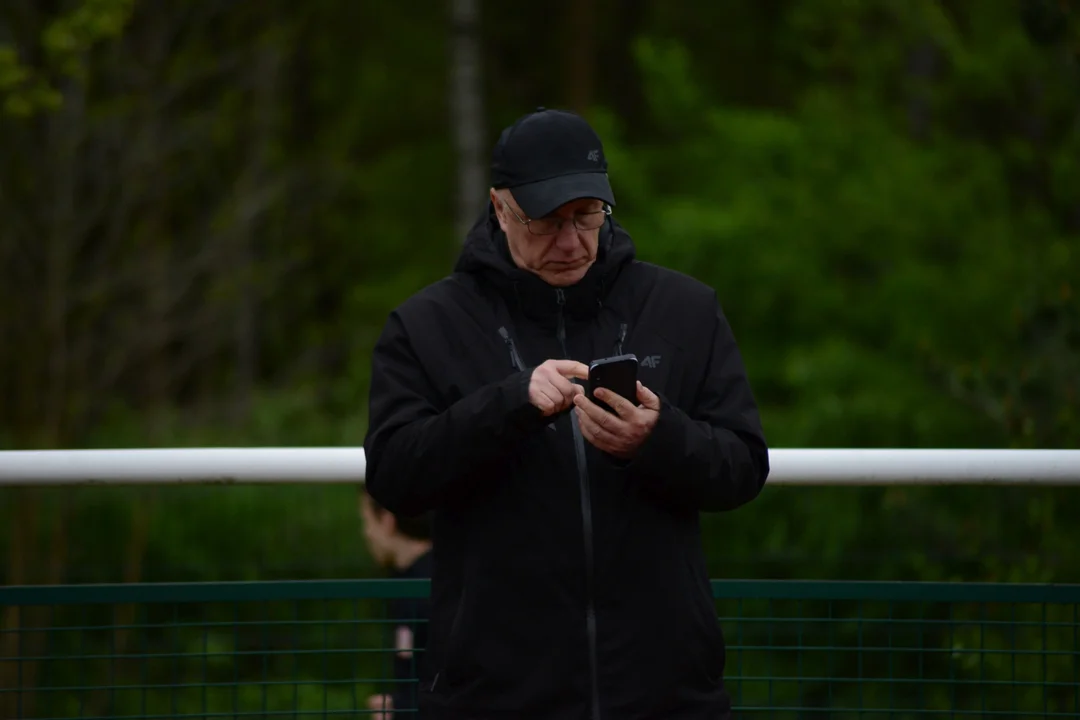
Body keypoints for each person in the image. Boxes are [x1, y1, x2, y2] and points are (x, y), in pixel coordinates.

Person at [363, 106, 769, 720]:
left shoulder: (685, 309)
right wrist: (510, 404)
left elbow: (743, 464)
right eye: (547, 223)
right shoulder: (426, 325)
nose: (572, 242)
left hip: (665, 692)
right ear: (499, 209)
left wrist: (656, 438)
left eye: (587, 218)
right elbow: (394, 474)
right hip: (493, 697)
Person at [359, 487, 433, 718]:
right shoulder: (406, 582)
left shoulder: (435, 588)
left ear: (387, 520)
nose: (367, 533)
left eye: (367, 521)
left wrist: (399, 710)